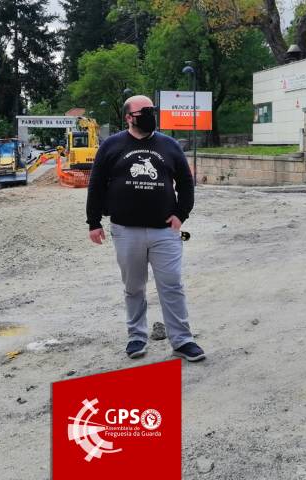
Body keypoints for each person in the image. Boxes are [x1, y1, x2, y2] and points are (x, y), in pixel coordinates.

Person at [86, 95, 205, 362]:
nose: (151, 115)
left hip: (165, 232)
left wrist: (181, 214)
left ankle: (182, 340)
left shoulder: (169, 145)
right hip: (125, 231)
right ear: (129, 117)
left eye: (153, 110)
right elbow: (96, 184)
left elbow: (186, 182)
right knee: (134, 287)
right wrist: (93, 222)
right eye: (145, 111)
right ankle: (136, 337)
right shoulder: (111, 146)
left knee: (172, 285)